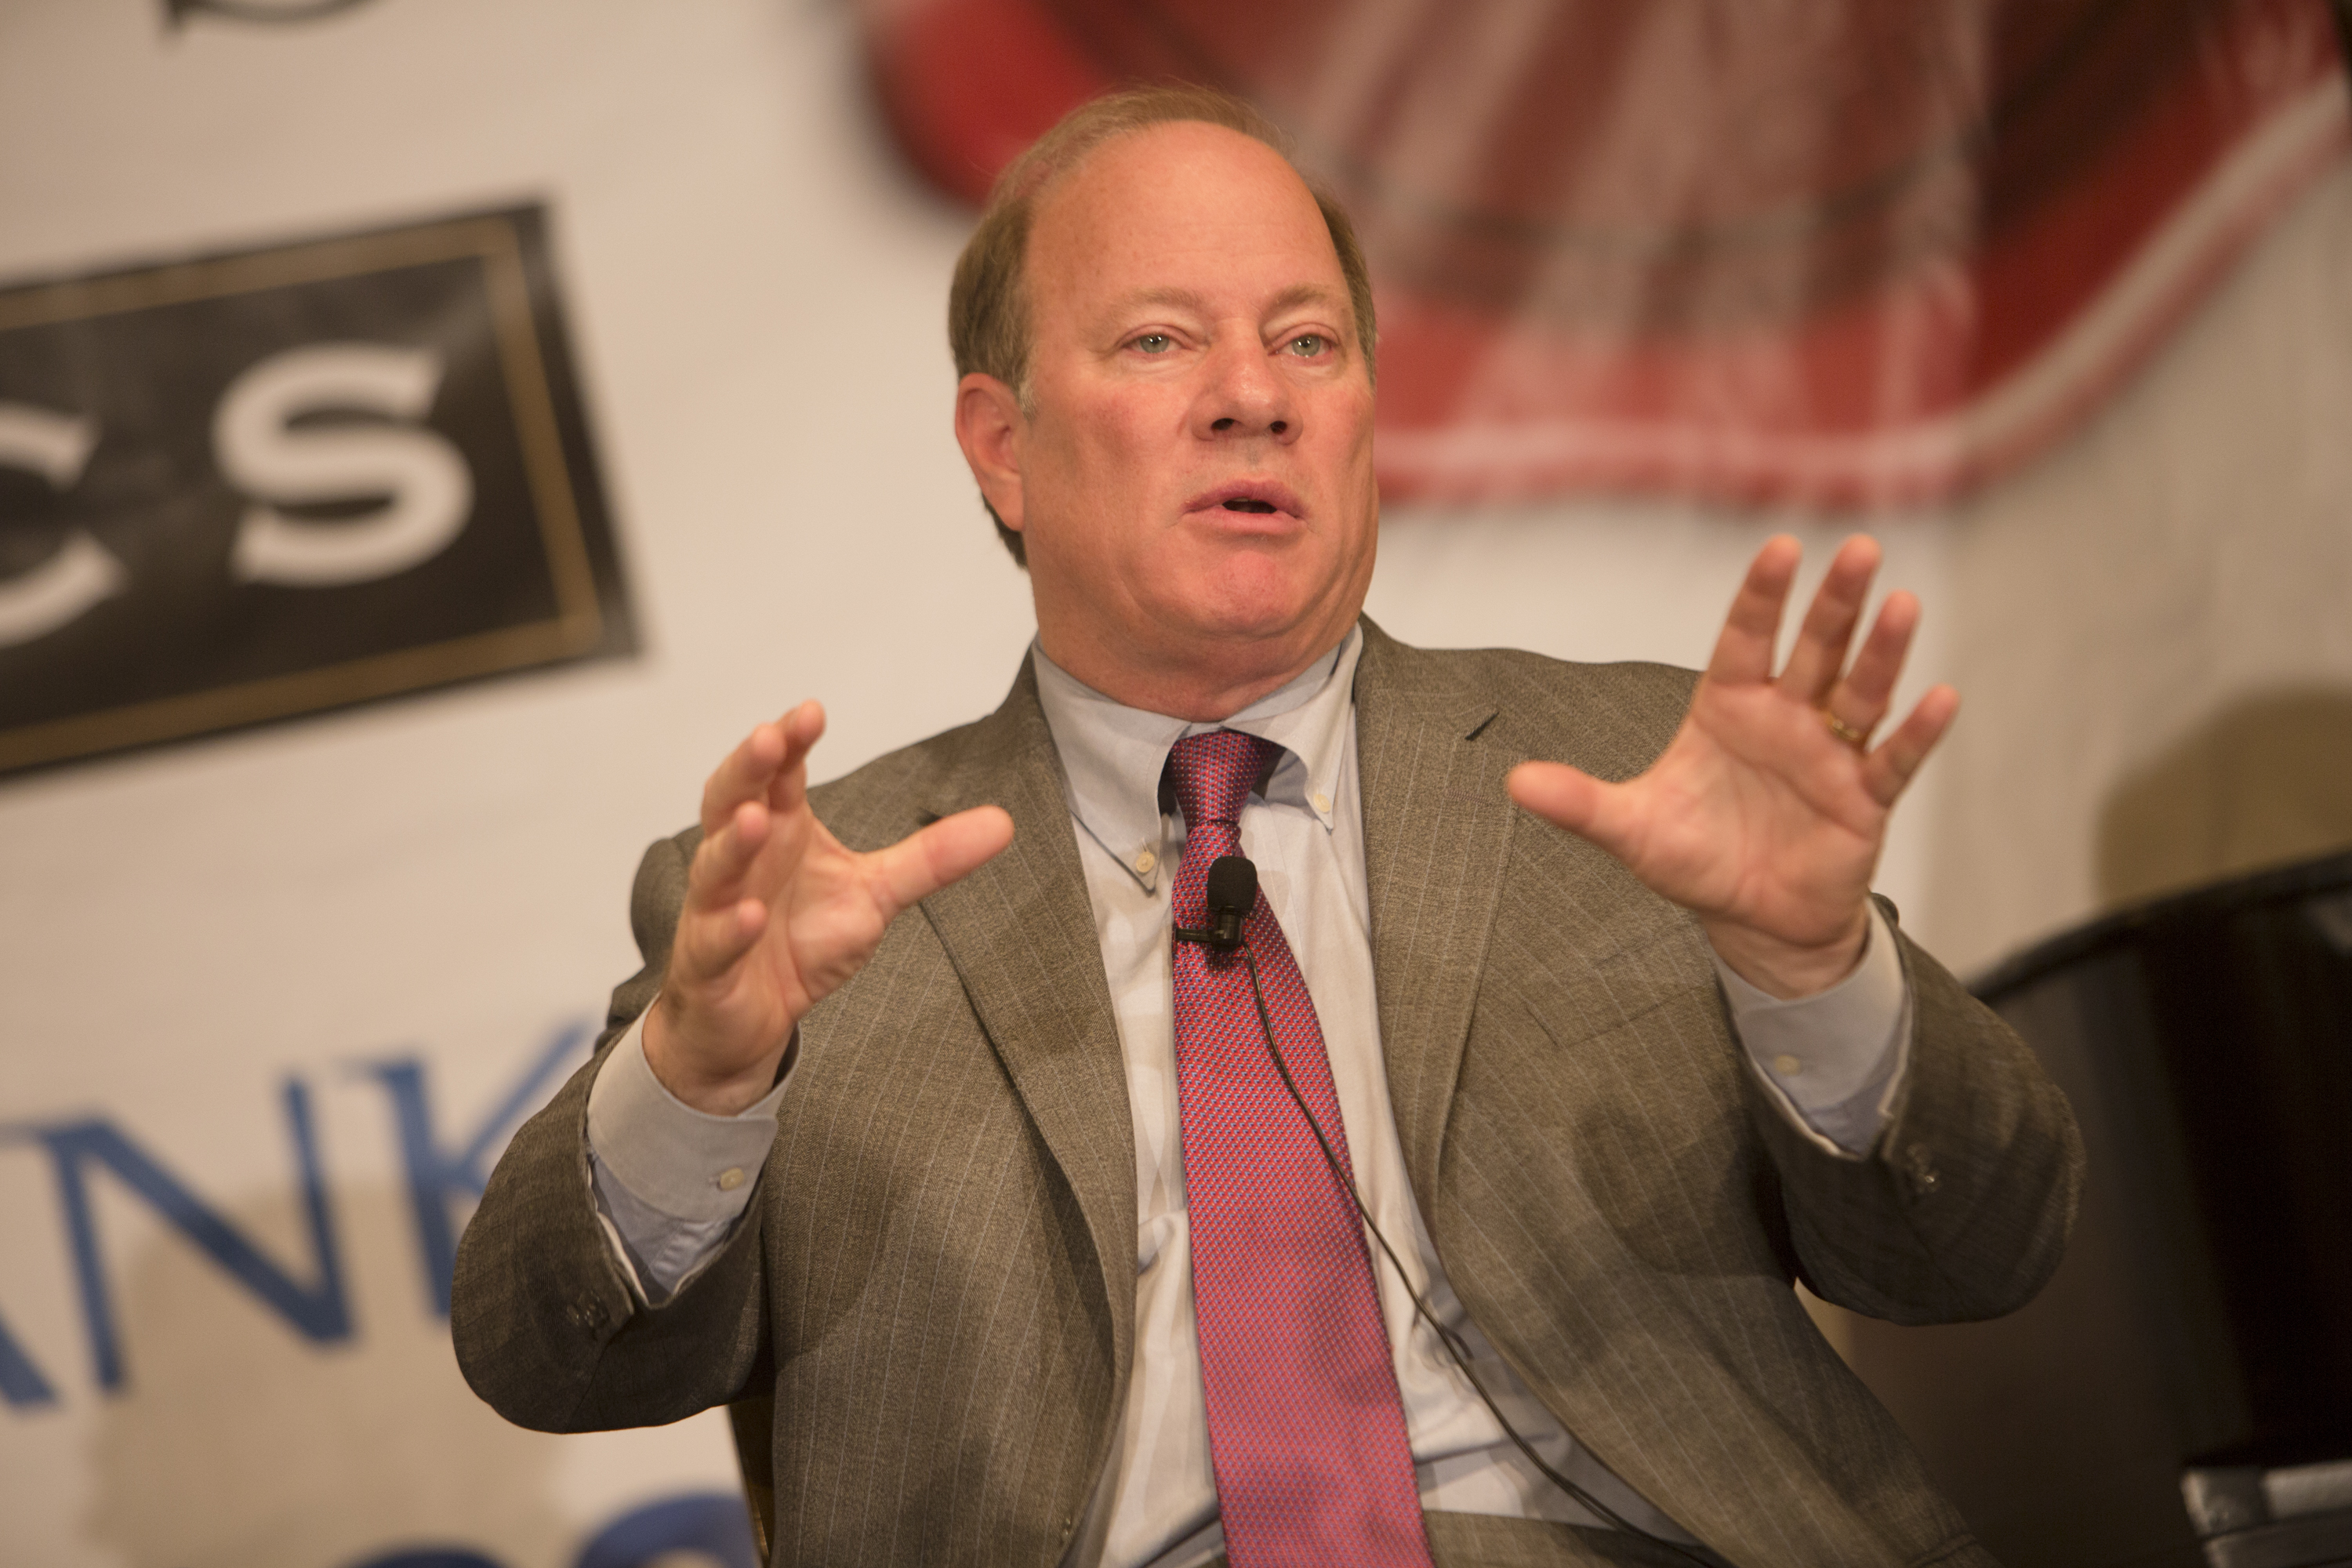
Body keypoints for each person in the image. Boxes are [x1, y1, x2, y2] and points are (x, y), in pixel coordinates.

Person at [453, 86, 2081, 1568]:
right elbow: (549, 1353)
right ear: (1002, 446)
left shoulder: (1647, 777)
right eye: (1161, 342)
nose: (1254, 398)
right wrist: (703, 1082)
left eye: (1308, 342)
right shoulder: (818, 894)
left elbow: (1983, 1253)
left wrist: (1811, 968)